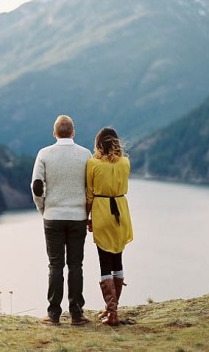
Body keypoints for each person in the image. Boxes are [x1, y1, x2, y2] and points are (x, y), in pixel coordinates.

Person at [31, 115, 92, 326]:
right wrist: (88, 212)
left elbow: (37, 186)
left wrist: (43, 209)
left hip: (53, 217)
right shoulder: (86, 155)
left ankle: (54, 314)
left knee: (55, 265)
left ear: (54, 133)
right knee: (76, 265)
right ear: (73, 132)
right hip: (78, 218)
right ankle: (77, 314)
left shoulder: (44, 154)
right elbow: (90, 188)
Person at [86, 127, 133, 326]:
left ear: (98, 144)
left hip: (102, 211)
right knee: (118, 259)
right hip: (121, 212)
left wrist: (88, 217)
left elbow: (89, 194)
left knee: (104, 260)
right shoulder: (125, 162)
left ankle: (111, 311)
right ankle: (112, 309)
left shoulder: (93, 164)